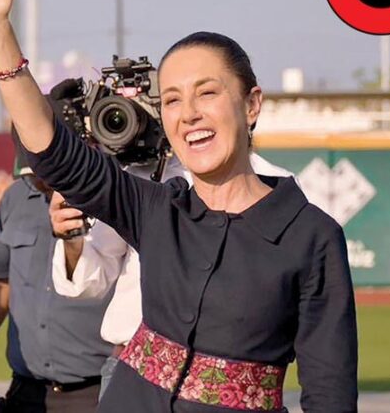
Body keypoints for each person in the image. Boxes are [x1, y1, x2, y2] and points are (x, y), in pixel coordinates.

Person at [0, 0, 357, 412]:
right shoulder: (158, 209)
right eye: (172, 100)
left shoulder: (311, 237)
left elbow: (331, 393)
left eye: (207, 92)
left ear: (251, 104)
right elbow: (54, 153)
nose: (189, 114)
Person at [48, 154, 299, 398]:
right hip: (130, 374)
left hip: (227, 388)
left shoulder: (277, 186)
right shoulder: (138, 176)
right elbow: (85, 283)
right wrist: (72, 236)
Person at [0, 134, 116, 413]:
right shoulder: (14, 198)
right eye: (33, 173)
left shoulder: (113, 195)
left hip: (98, 395)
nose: (41, 180)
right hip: (26, 393)